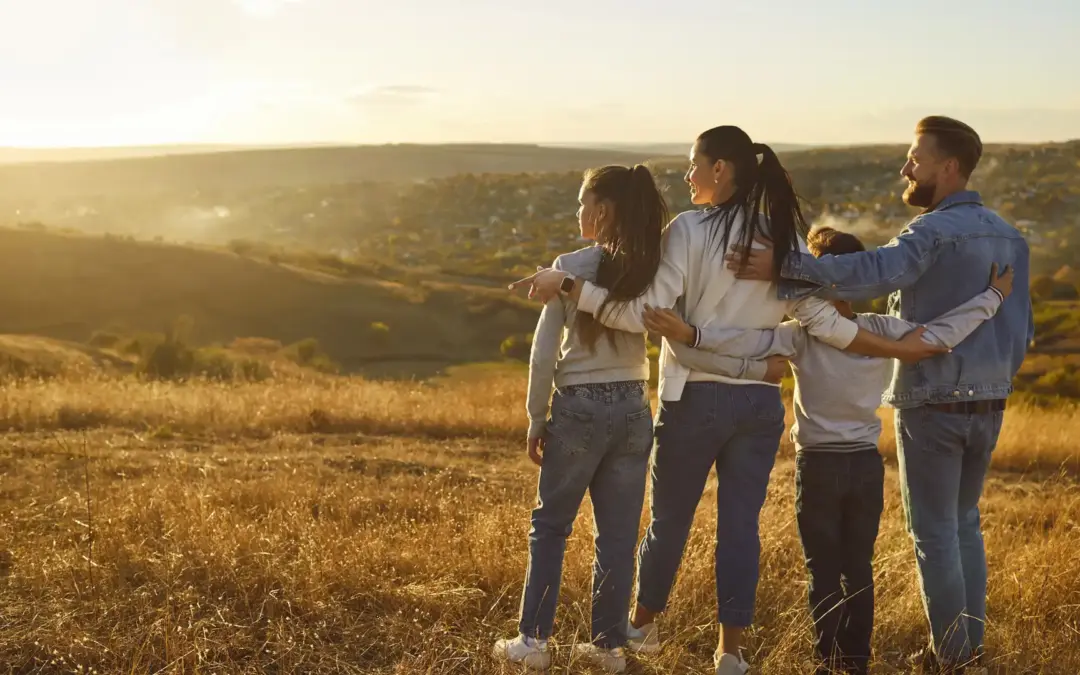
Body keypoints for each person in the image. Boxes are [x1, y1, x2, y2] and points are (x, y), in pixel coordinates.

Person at [510, 126, 945, 675]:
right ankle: (731, 653)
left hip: (693, 398)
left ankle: (641, 629)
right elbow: (821, 320)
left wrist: (573, 287)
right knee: (740, 529)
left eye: (695, 164)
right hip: (759, 405)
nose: (687, 175)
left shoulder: (688, 229)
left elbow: (646, 314)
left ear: (721, 169)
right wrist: (896, 347)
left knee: (668, 523)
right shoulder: (779, 234)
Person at [725, 116, 1034, 673]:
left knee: (935, 532)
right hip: (990, 403)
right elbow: (1022, 327)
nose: (905, 168)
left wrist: (784, 265)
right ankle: (969, 650)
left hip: (934, 400)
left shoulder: (932, 231)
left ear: (949, 167)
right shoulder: (1011, 236)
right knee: (964, 524)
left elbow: (873, 272)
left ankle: (954, 658)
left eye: (915, 159)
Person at [642, 226, 1014, 675]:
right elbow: (943, 334)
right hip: (865, 466)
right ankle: (855, 663)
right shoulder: (881, 330)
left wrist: (692, 333)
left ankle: (828, 661)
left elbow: (744, 340)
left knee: (822, 570)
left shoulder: (800, 334)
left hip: (817, 466)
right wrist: (992, 297)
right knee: (858, 568)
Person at [495, 164, 785, 674]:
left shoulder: (570, 267)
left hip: (579, 403)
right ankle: (608, 646)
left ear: (602, 210)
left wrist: (536, 417)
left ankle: (534, 639)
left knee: (551, 526)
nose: (578, 212)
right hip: (633, 405)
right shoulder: (647, 268)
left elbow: (543, 355)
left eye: (582, 203)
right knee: (618, 535)